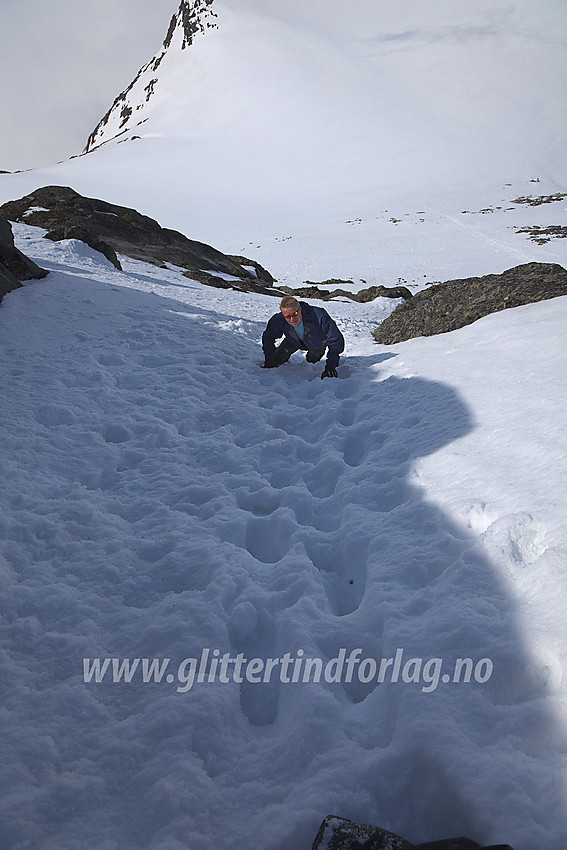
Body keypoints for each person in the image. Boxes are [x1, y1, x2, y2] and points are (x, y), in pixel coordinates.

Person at [262, 296, 345, 378]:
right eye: (287, 317)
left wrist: (331, 366)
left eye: (294, 314)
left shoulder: (319, 315)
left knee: (312, 361)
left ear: (300, 309)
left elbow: (335, 340)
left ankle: (314, 356)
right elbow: (268, 337)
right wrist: (269, 359)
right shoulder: (279, 320)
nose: (292, 319)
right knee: (275, 360)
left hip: (316, 344)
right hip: (293, 341)